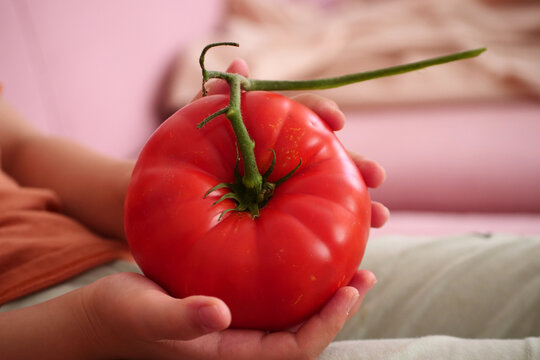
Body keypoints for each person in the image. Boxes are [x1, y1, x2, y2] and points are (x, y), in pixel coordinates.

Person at [0, 59, 389, 360]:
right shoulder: (91, 322)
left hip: (125, 260)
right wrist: (90, 327)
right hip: (47, 330)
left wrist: (163, 185)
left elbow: (19, 148)